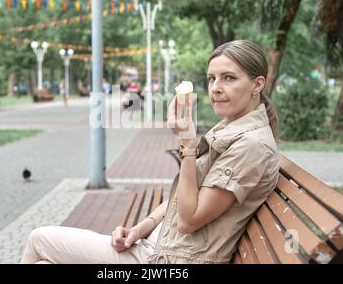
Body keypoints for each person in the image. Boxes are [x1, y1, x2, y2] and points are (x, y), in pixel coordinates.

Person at [20, 40, 280, 264]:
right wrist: (141, 228)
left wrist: (188, 145)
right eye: (212, 78)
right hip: (159, 247)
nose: (215, 88)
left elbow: (189, 220)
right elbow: (187, 197)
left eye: (229, 78)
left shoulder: (251, 146)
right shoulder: (231, 128)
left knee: (39, 239)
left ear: (257, 84)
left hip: (169, 260)